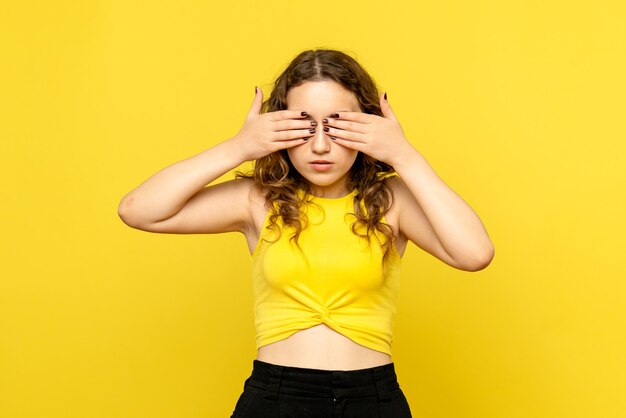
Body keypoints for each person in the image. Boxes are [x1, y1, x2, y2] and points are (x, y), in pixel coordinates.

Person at [117, 48, 494, 417]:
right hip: (274, 399)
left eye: (338, 125)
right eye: (303, 126)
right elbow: (137, 210)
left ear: (369, 126)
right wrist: (238, 147)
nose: (320, 145)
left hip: (372, 399)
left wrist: (404, 155)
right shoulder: (258, 200)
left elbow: (474, 253)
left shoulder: (391, 201)